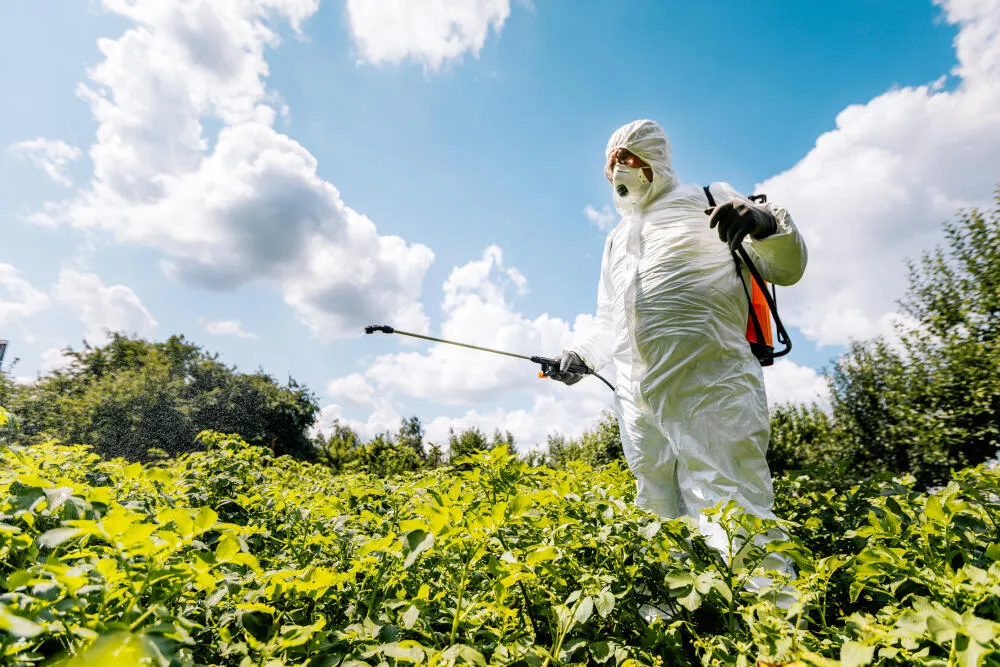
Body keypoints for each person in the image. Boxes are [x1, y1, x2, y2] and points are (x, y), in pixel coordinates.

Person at [548, 119, 808, 622]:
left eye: (627, 157)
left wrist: (763, 221)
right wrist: (579, 356)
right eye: (610, 162)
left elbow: (787, 268)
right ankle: (674, 626)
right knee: (656, 506)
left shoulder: (709, 199)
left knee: (732, 504)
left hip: (711, 382)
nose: (616, 170)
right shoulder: (616, 239)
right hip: (637, 396)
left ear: (655, 159)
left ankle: (775, 635)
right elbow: (608, 324)